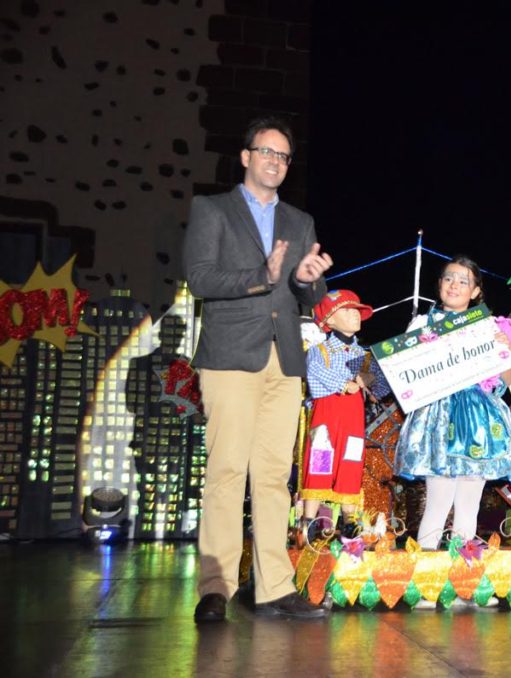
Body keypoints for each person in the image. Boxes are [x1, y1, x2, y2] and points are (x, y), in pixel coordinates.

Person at [184, 115, 333, 622]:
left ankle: (274, 587)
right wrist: (261, 275)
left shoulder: (300, 220)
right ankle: (216, 588)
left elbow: (310, 298)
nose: (275, 161)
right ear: (246, 157)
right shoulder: (213, 210)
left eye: (284, 156)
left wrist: (309, 281)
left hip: (285, 358)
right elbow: (200, 277)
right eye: (266, 152)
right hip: (231, 354)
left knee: (273, 475)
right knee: (226, 470)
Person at [394, 257, 511, 559]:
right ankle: (427, 584)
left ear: (476, 292)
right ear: (439, 284)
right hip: (437, 419)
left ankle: (461, 581)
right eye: (448, 279)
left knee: (469, 504)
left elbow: (504, 382)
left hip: (478, 421)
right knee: (438, 502)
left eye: (463, 281)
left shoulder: (489, 327)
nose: (454, 285)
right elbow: (405, 374)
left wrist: (501, 349)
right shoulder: (422, 325)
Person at [299, 289, 390, 537]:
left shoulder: (367, 355)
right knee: (320, 459)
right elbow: (316, 374)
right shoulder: (321, 350)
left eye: (357, 310)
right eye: (347, 310)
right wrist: (347, 383)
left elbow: (379, 387)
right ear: (328, 320)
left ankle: (350, 521)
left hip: (353, 419)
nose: (355, 315)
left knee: (351, 460)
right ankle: (308, 521)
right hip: (327, 416)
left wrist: (372, 381)